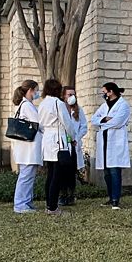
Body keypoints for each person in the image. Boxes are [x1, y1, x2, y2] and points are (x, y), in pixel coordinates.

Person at [91, 82, 131, 209]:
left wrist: (102, 123)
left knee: (114, 171)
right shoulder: (104, 106)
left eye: (104, 92)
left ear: (111, 92)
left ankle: (115, 200)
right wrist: (104, 119)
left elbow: (118, 122)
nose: (103, 94)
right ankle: (110, 197)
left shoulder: (123, 105)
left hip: (115, 142)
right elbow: (93, 120)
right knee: (107, 172)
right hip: (104, 141)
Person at [39, 79, 75, 216]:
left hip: (47, 139)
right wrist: (74, 137)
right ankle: (53, 207)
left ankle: (49, 204)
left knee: (50, 174)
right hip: (58, 140)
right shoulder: (57, 103)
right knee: (57, 176)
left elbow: (41, 124)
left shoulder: (42, 104)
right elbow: (67, 123)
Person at [10, 79, 41, 214]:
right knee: (26, 176)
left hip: (27, 149)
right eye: (36, 90)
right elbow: (39, 122)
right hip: (28, 149)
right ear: (31, 90)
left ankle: (27, 202)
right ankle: (20, 204)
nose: (38, 93)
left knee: (28, 176)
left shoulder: (25, 104)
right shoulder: (27, 105)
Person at [61, 84, 88, 206]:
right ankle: (62, 195)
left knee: (72, 172)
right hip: (62, 144)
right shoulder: (60, 109)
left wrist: (77, 138)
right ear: (64, 96)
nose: (72, 97)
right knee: (62, 171)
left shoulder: (78, 110)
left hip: (74, 145)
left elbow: (84, 126)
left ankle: (71, 196)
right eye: (70, 94)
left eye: (74, 94)